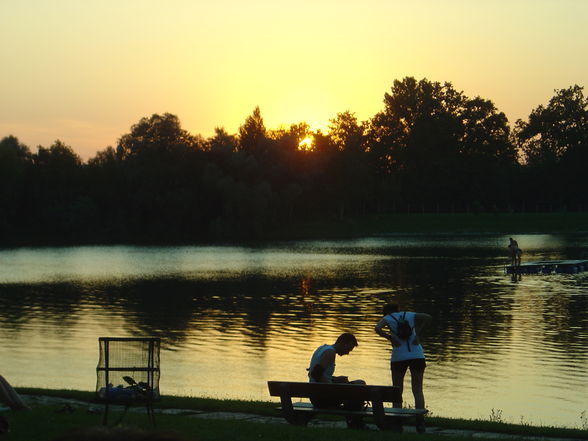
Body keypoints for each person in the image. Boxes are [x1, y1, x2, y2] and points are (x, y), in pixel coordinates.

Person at [374, 303, 431, 433]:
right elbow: (428, 317)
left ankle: (397, 422)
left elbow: (377, 328)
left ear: (387, 311)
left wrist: (390, 338)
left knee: (397, 390)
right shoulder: (410, 315)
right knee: (417, 390)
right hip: (417, 355)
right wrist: (418, 335)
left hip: (399, 356)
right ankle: (420, 422)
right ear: (398, 309)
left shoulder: (388, 318)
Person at [307, 332, 367, 429]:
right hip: (322, 398)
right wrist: (334, 387)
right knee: (359, 386)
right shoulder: (330, 352)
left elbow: (313, 374)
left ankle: (354, 421)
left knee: (358, 385)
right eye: (348, 349)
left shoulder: (322, 348)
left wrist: (335, 379)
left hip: (316, 394)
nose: (348, 353)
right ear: (342, 342)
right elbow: (316, 374)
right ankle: (355, 423)